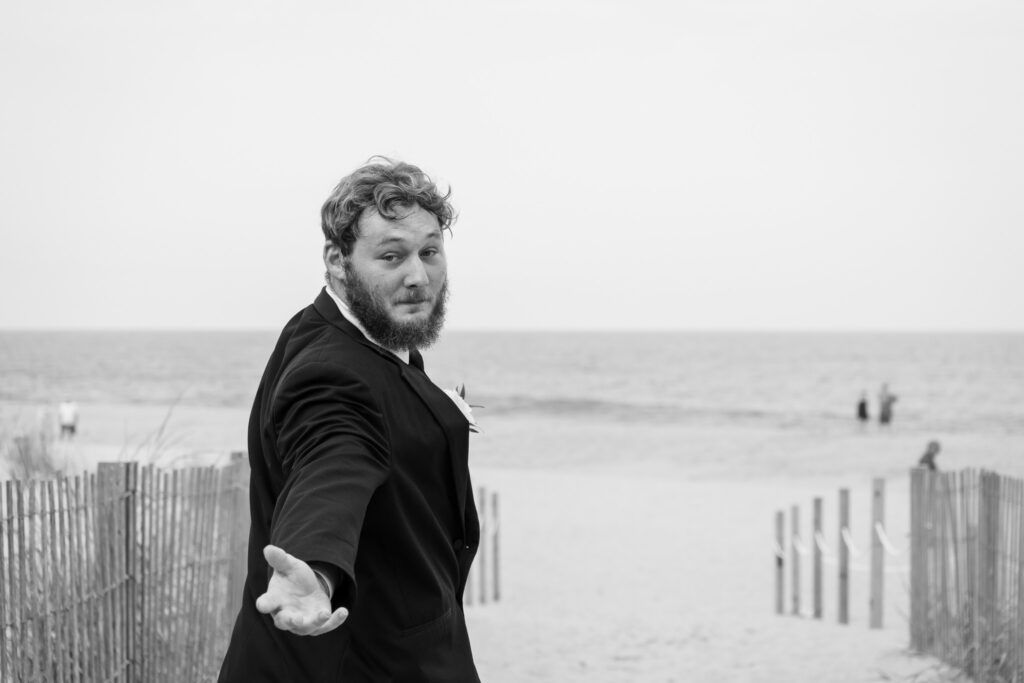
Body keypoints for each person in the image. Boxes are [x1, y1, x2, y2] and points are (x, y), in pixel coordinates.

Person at [219, 158, 480, 682]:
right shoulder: (329, 372)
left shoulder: (359, 334)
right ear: (337, 259)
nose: (418, 276)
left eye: (430, 252)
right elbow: (335, 459)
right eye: (391, 256)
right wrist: (314, 569)